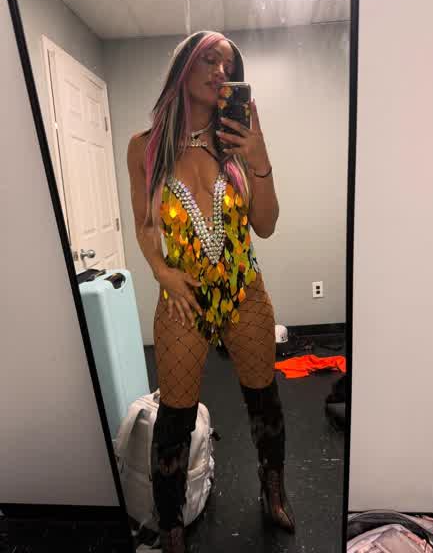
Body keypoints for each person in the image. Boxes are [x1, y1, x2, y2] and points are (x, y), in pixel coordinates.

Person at [127, 30, 295, 553]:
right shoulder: (145, 147)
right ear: (183, 66)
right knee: (175, 416)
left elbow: (266, 225)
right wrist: (160, 271)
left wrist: (259, 156)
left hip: (245, 291)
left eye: (229, 65)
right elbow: (144, 224)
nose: (221, 70)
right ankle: (171, 523)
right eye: (209, 59)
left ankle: (273, 489)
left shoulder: (239, 144)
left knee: (264, 398)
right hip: (184, 298)